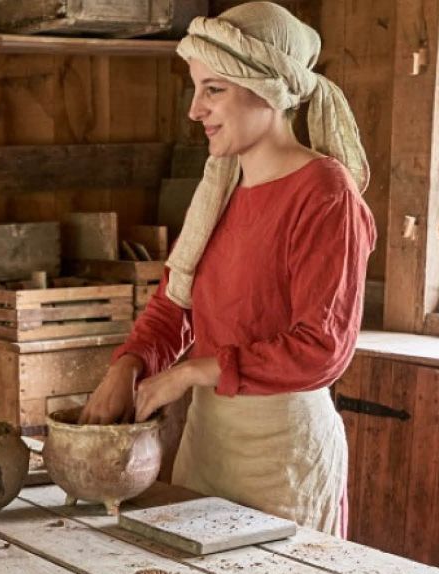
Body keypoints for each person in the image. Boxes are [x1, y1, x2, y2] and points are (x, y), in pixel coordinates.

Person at [79, 2, 376, 537]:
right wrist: (126, 368)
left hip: (283, 454)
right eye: (196, 89)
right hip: (209, 442)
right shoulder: (220, 189)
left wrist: (191, 372)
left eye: (213, 89)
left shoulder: (325, 193)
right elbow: (174, 307)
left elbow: (322, 348)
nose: (196, 110)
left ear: (267, 89)